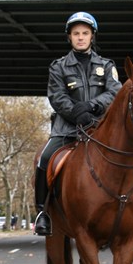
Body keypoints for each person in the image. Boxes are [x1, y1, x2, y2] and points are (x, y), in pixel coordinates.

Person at [33, 12, 122, 236]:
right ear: (69, 37)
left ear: (92, 36)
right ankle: (42, 212)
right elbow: (57, 96)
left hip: (101, 129)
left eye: (85, 33)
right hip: (67, 129)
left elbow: (115, 92)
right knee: (44, 160)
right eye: (76, 34)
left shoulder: (107, 65)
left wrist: (93, 106)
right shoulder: (58, 67)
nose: (80, 37)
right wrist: (76, 114)